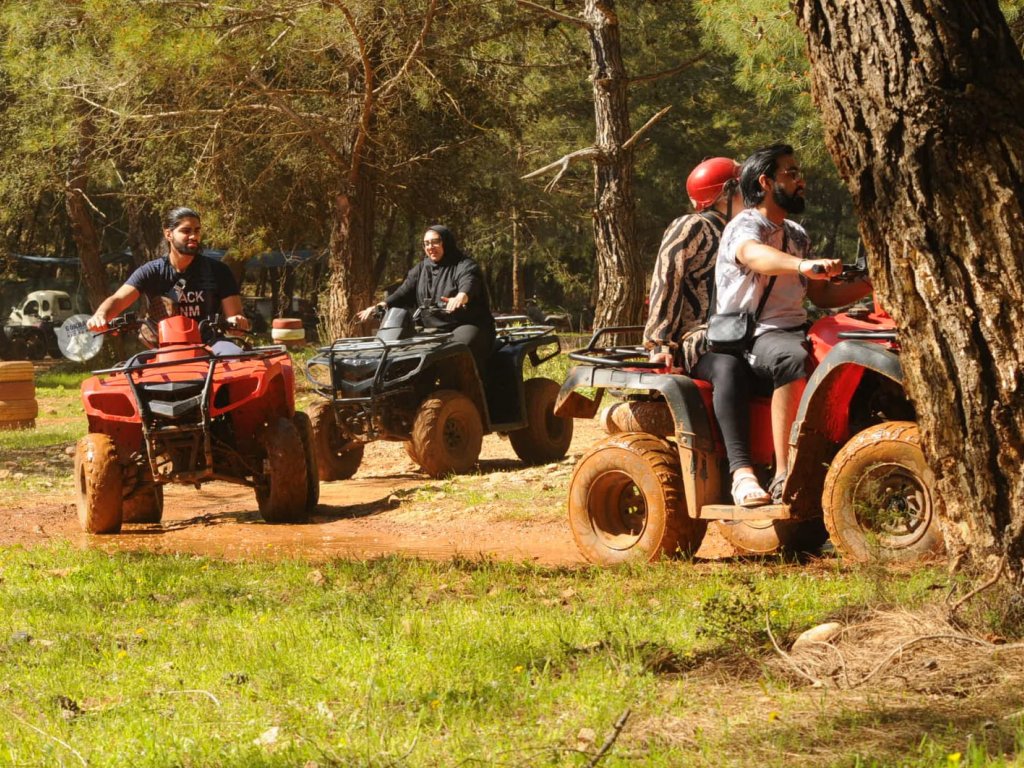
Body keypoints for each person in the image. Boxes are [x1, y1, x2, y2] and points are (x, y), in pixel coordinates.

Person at [716, 143, 872, 501]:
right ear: (766, 181)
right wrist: (802, 265)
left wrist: (871, 282)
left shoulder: (797, 233)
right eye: (792, 173)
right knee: (792, 357)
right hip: (753, 334)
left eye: (800, 173)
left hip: (793, 328)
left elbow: (820, 297)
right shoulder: (744, 225)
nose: (801, 181)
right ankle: (787, 476)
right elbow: (755, 256)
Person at [643, 157, 771, 508]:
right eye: (740, 186)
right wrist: (660, 341)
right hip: (700, 338)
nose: (750, 192)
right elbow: (666, 279)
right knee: (727, 367)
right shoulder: (692, 227)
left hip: (749, 333)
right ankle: (741, 472)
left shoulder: (751, 227)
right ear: (723, 194)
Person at [86, 207, 250, 348]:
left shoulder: (218, 271)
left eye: (197, 230)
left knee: (234, 359)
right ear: (168, 234)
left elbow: (234, 315)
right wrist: (101, 315)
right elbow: (119, 299)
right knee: (133, 375)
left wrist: (237, 321)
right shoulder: (151, 271)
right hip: (167, 349)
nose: (194, 236)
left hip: (212, 344)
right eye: (186, 231)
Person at [356, 225, 495, 370]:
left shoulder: (464, 264)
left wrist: (460, 297)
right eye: (426, 243)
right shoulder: (421, 268)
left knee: (456, 351)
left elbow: (469, 282)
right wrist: (381, 305)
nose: (430, 247)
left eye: (435, 241)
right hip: (433, 330)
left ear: (446, 242)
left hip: (466, 324)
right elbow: (403, 293)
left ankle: (466, 390)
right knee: (405, 355)